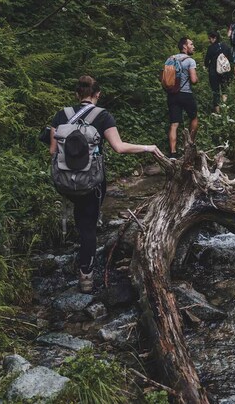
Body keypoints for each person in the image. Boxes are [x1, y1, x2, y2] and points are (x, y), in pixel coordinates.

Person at [50, 75, 163, 293]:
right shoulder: (103, 116)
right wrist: (148, 148)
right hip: (92, 182)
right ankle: (86, 277)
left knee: (81, 217)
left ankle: (82, 252)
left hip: (65, 181)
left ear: (77, 94)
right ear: (97, 94)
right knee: (89, 225)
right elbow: (119, 147)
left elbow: (53, 151)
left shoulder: (61, 115)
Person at [167, 37, 198, 158]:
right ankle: (190, 145)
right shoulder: (190, 60)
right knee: (194, 118)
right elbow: (194, 80)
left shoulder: (170, 59)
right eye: (191, 44)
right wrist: (196, 78)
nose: (193, 46)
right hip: (185, 94)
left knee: (174, 124)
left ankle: (173, 153)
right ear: (185, 46)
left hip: (172, 94)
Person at [204, 30, 233, 113]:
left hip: (213, 72)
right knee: (224, 90)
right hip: (225, 72)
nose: (209, 40)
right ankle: (225, 109)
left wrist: (208, 66)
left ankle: (217, 113)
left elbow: (206, 62)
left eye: (210, 38)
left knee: (215, 92)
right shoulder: (226, 46)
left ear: (214, 38)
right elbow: (231, 59)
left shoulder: (211, 48)